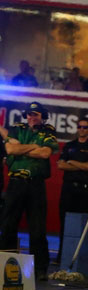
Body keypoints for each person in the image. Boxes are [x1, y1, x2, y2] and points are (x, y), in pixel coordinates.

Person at [0, 102, 57, 280]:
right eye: (30, 114)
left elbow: (45, 153)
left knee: (38, 229)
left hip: (35, 185)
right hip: (15, 183)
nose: (32, 117)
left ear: (42, 116)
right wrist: (33, 146)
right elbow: (10, 149)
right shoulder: (17, 128)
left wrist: (21, 149)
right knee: (8, 226)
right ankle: (5, 265)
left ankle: (40, 269)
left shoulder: (48, 131)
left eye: (36, 114)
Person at [56, 116, 88, 264]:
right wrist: (82, 166)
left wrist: (72, 162)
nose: (81, 129)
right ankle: (61, 256)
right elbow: (60, 165)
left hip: (84, 190)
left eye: (85, 127)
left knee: (82, 223)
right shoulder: (69, 145)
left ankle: (79, 258)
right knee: (64, 222)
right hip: (68, 188)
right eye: (79, 127)